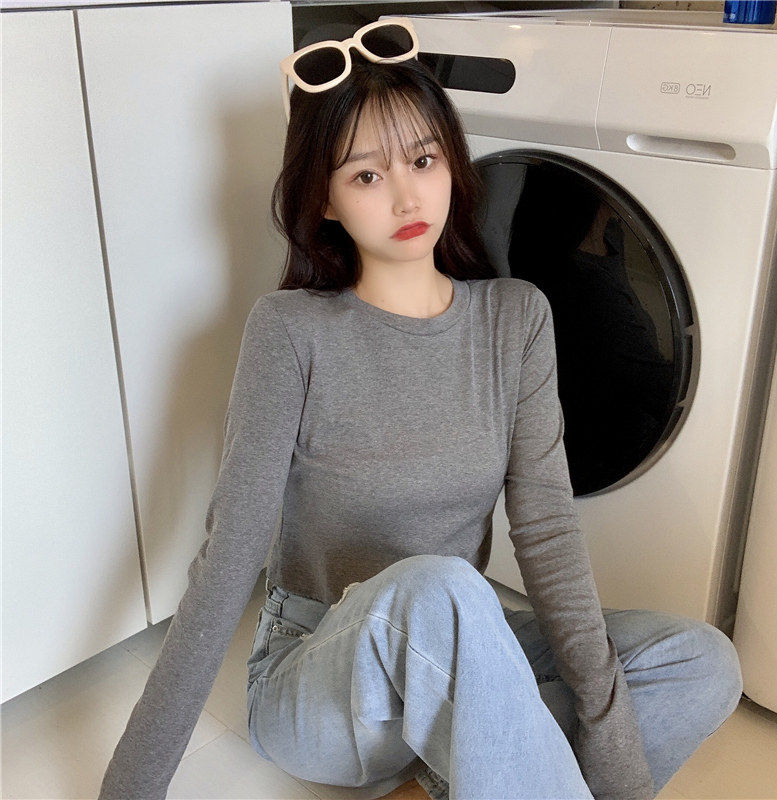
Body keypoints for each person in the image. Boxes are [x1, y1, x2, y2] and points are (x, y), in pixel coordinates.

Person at [99, 19, 742, 800]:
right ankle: (478, 762)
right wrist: (130, 787)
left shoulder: (516, 318)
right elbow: (229, 555)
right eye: (366, 175)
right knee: (440, 591)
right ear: (324, 199)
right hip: (323, 678)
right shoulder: (291, 330)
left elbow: (547, 532)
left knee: (700, 662)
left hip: (463, 645)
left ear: (452, 165)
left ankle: (456, 771)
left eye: (424, 160)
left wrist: (617, 758)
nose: (406, 195)